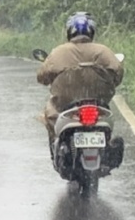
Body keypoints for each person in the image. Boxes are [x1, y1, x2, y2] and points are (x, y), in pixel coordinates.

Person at [36, 12, 124, 150]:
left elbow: (42, 77)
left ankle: (56, 144)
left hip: (66, 107)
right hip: (98, 105)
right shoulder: (103, 51)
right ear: (92, 32)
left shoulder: (58, 52)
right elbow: (118, 74)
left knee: (48, 113)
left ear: (69, 32)